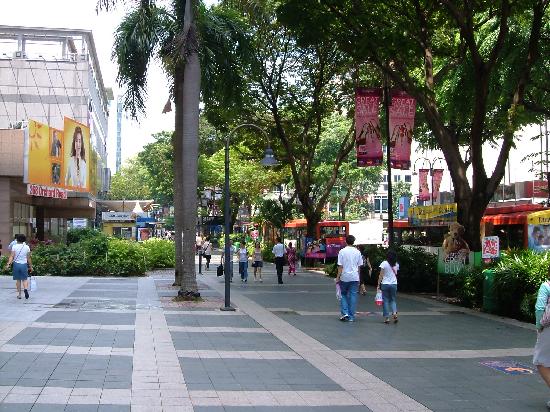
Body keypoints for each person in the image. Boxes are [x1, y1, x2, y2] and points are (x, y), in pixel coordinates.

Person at [336, 235, 363, 322]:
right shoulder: (358, 252)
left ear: (346, 241)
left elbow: (340, 266)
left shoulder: (342, 251)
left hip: (344, 276)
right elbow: (359, 267)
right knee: (353, 296)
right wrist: (359, 278)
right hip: (354, 276)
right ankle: (351, 316)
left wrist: (337, 277)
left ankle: (345, 313)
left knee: (343, 294)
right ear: (353, 242)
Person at [534, 270, 550, 410]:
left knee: (541, 361)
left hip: (548, 329)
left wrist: (539, 326)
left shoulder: (546, 286)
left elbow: (540, 308)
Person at [5, 234, 32, 299]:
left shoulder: (14, 246)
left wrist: (8, 264)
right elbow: (28, 258)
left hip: (16, 264)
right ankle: (25, 289)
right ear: (24, 240)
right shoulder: (27, 247)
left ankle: (19, 295)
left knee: (18, 280)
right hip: (24, 265)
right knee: (24, 279)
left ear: (17, 239)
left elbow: (12, 256)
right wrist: (31, 266)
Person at [377, 249, 399, 324]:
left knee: (385, 300)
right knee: (393, 300)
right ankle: (395, 314)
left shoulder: (384, 263)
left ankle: (387, 318)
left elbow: (381, 275)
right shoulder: (396, 264)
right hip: (394, 284)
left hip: (385, 284)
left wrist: (378, 284)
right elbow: (396, 274)